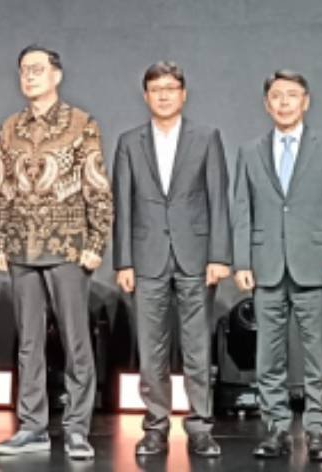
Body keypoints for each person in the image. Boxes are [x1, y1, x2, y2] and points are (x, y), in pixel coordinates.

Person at [0, 45, 111, 461]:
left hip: (67, 246)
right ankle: (32, 426)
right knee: (28, 343)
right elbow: (3, 190)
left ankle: (77, 428)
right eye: (24, 70)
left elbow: (97, 185)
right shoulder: (10, 127)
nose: (29, 76)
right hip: (22, 246)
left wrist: (97, 242)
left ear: (56, 75)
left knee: (76, 341)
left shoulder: (80, 123)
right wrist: (0, 241)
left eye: (37, 69)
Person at [232, 70, 322, 463]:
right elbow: (241, 210)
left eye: (291, 95)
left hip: (315, 265)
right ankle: (277, 428)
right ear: (266, 104)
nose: (283, 102)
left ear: (306, 101)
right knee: (268, 356)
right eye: (276, 96)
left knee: (317, 356)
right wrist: (241, 260)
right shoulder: (250, 151)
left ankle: (317, 430)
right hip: (266, 265)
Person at [111, 61, 230, 458]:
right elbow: (122, 204)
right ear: (146, 96)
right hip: (147, 258)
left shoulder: (206, 137)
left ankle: (200, 427)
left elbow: (218, 199)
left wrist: (219, 255)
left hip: (195, 256)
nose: (163, 95)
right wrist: (124, 262)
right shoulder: (130, 142)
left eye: (170, 88)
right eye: (156, 89)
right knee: (151, 350)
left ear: (183, 94)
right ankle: (155, 427)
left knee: (197, 348)